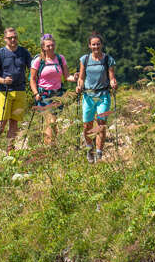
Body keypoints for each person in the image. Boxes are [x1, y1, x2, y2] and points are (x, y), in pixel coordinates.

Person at [0, 27, 33, 153]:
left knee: (14, 122)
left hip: (20, 90)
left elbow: (32, 69)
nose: (13, 40)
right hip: (4, 91)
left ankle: (10, 148)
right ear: (5, 39)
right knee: (2, 121)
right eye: (10, 38)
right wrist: (3, 80)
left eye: (15, 37)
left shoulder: (24, 52)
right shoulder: (0, 54)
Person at [76, 31, 117, 163]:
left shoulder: (108, 60)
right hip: (88, 95)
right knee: (87, 126)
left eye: (98, 44)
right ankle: (89, 149)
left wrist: (113, 83)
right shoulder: (85, 59)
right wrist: (79, 86)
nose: (96, 47)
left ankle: (99, 153)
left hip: (103, 95)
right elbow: (81, 77)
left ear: (102, 45)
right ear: (89, 46)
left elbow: (111, 77)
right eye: (93, 44)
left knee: (101, 124)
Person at [30, 34, 72, 145]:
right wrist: (35, 94)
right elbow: (32, 79)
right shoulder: (38, 61)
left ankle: (50, 147)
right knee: (51, 121)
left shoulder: (60, 58)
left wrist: (76, 78)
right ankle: (50, 147)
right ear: (43, 47)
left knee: (53, 122)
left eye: (52, 45)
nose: (51, 48)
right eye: (48, 46)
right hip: (44, 95)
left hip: (58, 94)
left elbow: (67, 76)